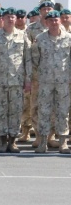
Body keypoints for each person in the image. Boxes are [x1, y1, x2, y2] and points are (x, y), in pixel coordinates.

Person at [0, 8, 31, 153]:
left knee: (16, 111)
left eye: (13, 17)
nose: (11, 19)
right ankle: (2, 141)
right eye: (8, 17)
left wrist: (28, 79)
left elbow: (27, 59)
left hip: (17, 81)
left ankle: (13, 141)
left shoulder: (23, 36)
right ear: (2, 19)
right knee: (0, 111)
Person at [31, 10, 71, 154]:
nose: (54, 23)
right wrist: (37, 77)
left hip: (63, 81)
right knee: (44, 111)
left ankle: (63, 143)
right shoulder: (40, 39)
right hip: (45, 82)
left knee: (63, 112)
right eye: (51, 21)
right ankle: (43, 142)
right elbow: (35, 60)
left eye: (56, 20)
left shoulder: (69, 38)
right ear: (46, 22)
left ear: (60, 21)